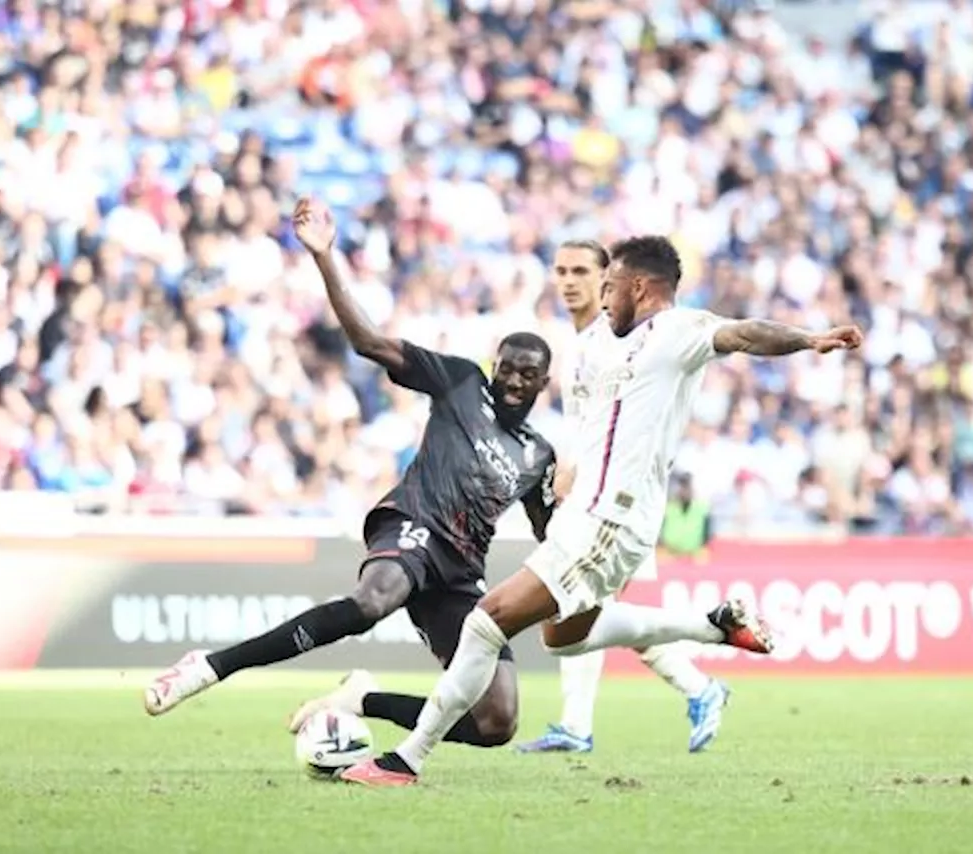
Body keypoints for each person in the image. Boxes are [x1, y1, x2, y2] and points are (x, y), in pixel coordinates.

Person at [340, 235, 864, 787]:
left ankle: (407, 760)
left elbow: (746, 333)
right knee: (562, 638)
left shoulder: (680, 332)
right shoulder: (598, 345)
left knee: (485, 622)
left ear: (640, 287)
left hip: (612, 520)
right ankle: (713, 626)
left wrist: (809, 340)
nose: (602, 296)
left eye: (609, 286)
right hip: (587, 516)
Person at [143, 198, 559, 752]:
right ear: (493, 364)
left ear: (542, 383)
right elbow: (370, 342)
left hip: (461, 572)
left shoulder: (539, 456)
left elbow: (551, 538)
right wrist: (325, 258)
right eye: (504, 367)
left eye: (525, 374)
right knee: (371, 603)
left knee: (495, 723)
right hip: (415, 527)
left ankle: (361, 699)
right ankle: (210, 667)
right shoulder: (461, 382)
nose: (511, 380)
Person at [515, 240, 729, 756]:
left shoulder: (633, 341)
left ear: (610, 278)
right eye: (561, 271)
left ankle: (694, 688)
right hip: (593, 498)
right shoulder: (584, 346)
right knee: (592, 610)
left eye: (583, 272)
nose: (569, 281)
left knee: (583, 606)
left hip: (621, 503)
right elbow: (587, 426)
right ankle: (587, 721)